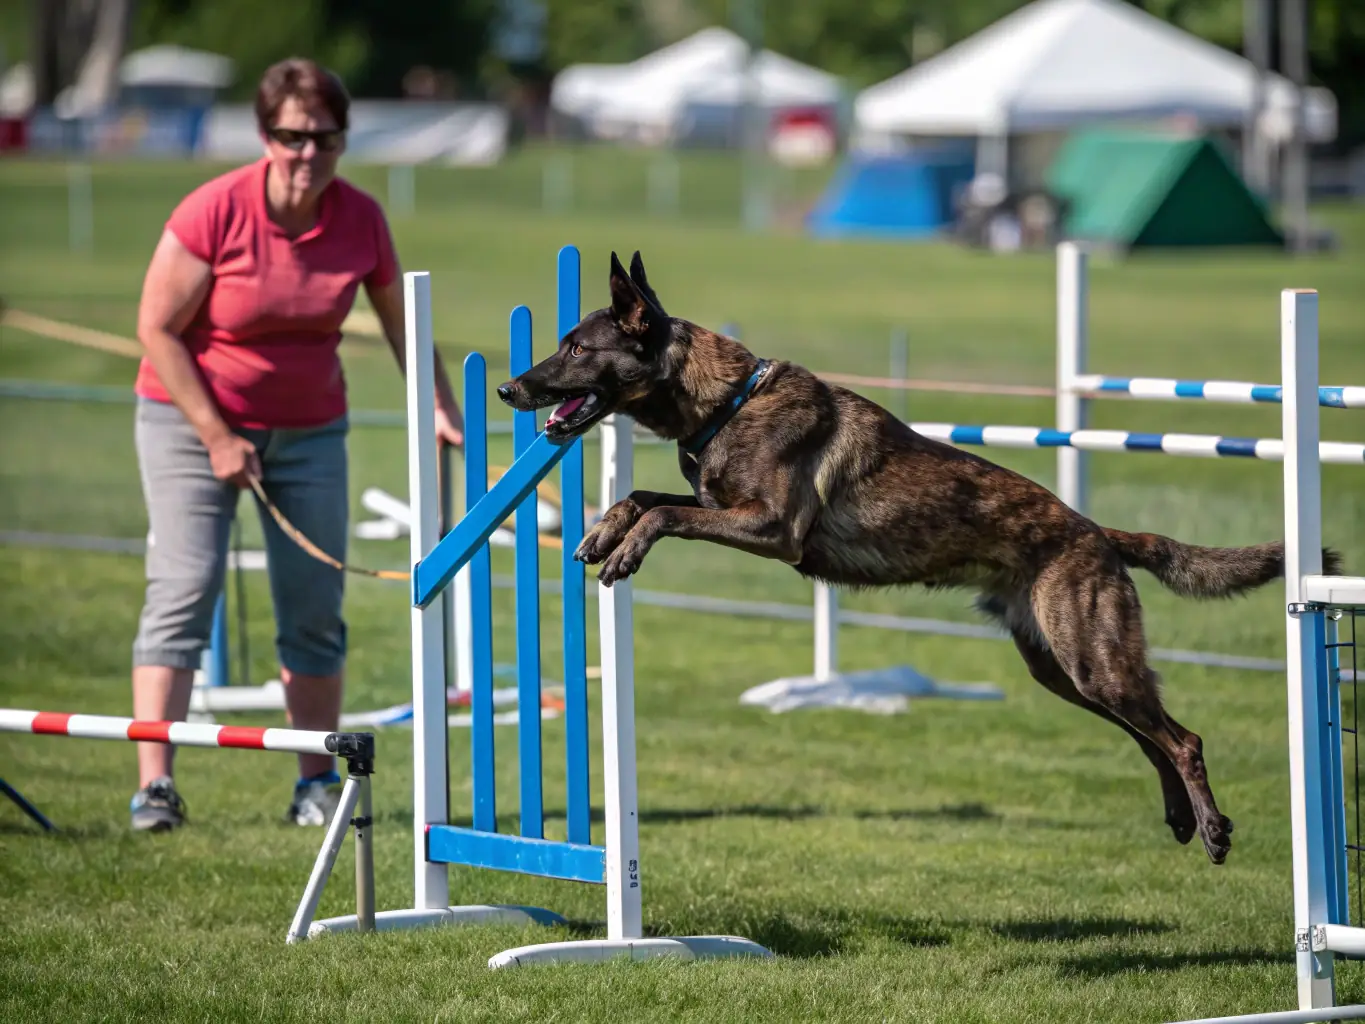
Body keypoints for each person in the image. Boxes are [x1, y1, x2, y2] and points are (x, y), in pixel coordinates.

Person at [128, 57, 463, 831]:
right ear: (264, 135)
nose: (308, 152)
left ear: (343, 139)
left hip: (311, 431)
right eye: (292, 136)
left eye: (325, 137)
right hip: (188, 420)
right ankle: (156, 786)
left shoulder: (360, 218)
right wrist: (216, 434)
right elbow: (156, 328)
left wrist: (442, 406)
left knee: (313, 611)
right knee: (184, 591)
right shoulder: (214, 210)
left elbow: (399, 322)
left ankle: (315, 782)